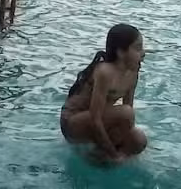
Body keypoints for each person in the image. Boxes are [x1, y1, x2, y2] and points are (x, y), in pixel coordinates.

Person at [60, 24, 148, 163]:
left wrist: (126, 142)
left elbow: (128, 119)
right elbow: (96, 117)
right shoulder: (105, 72)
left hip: (99, 120)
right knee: (126, 113)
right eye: (137, 48)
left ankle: (99, 158)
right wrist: (113, 153)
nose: (143, 52)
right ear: (121, 52)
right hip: (72, 123)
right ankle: (101, 157)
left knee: (139, 140)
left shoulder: (133, 72)